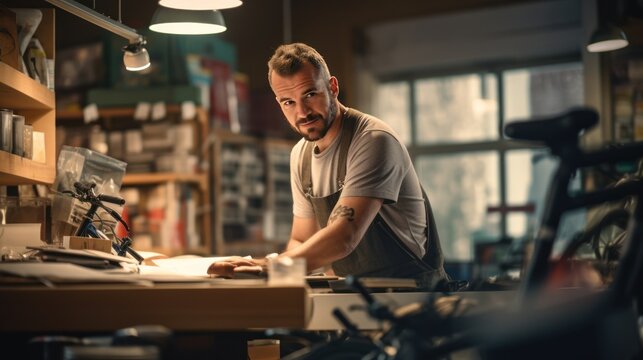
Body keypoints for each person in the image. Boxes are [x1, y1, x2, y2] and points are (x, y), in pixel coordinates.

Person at [208, 43, 448, 288]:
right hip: (353, 298)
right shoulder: (300, 156)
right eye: (288, 102)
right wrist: (264, 275)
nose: (302, 112)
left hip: (414, 300)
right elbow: (301, 240)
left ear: (332, 87)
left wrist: (269, 266)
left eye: (310, 94)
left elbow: (344, 236)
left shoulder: (373, 140)